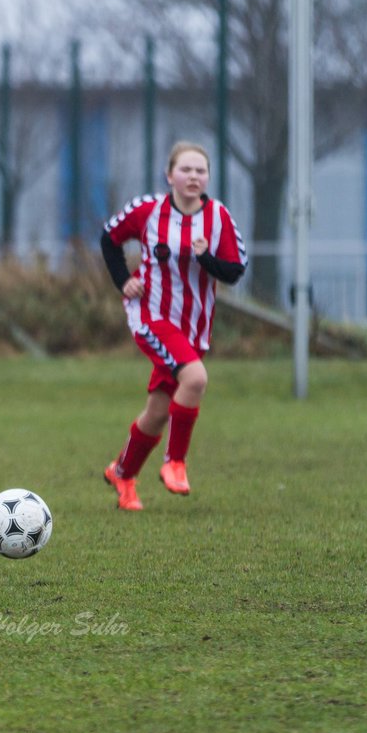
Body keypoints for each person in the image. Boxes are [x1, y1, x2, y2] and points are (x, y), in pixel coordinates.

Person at [100, 141, 246, 511]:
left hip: (194, 326)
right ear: (170, 175)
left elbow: (234, 270)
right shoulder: (147, 210)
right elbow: (109, 238)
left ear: (208, 177)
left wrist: (204, 256)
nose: (194, 176)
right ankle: (174, 462)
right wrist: (123, 280)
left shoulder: (219, 218)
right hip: (151, 315)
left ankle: (123, 473)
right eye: (186, 169)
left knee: (159, 411)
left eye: (201, 170)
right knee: (195, 380)